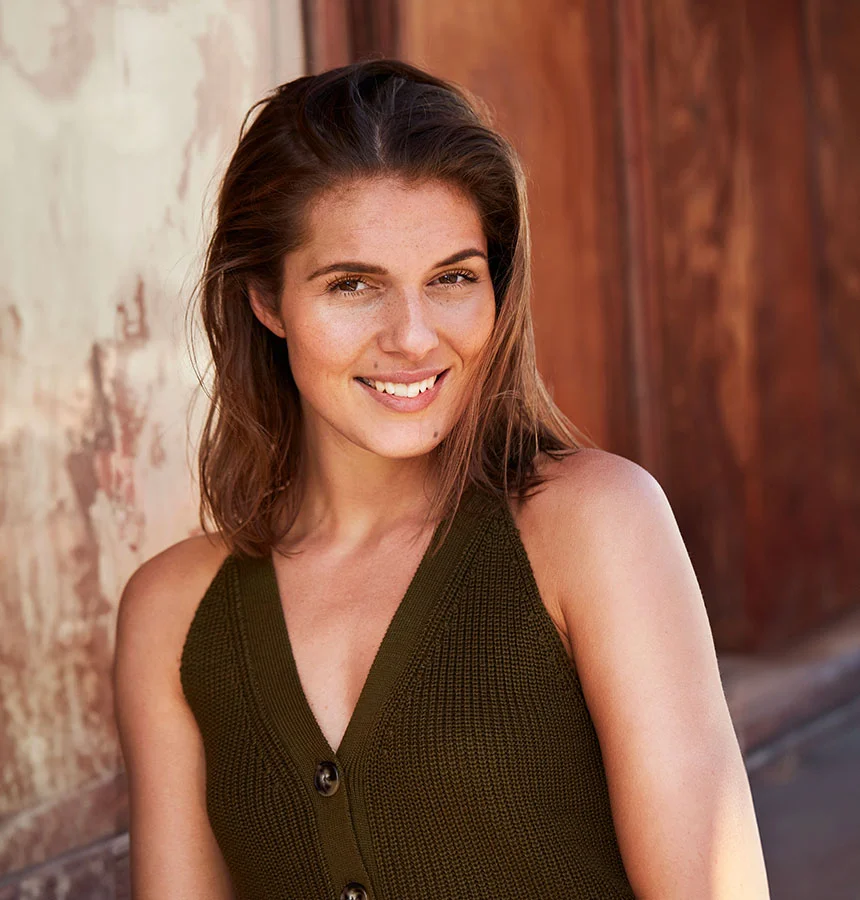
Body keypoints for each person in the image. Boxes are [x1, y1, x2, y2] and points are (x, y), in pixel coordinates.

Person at [113, 59, 770, 899]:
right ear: (268, 303)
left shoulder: (592, 527)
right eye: (353, 285)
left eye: (453, 278)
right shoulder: (172, 613)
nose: (414, 338)